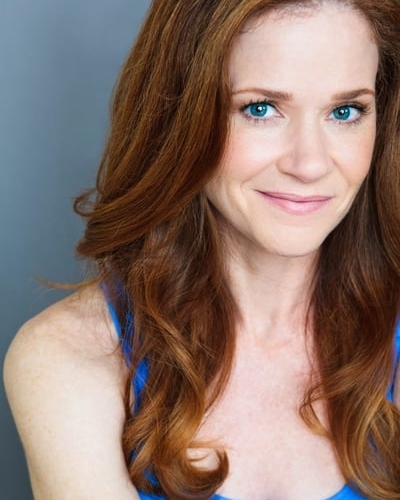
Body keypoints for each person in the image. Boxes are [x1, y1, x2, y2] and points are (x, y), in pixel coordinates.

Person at [4, 0, 400, 499]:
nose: (310, 164)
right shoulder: (69, 357)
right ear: (181, 118)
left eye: (345, 111)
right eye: (260, 108)